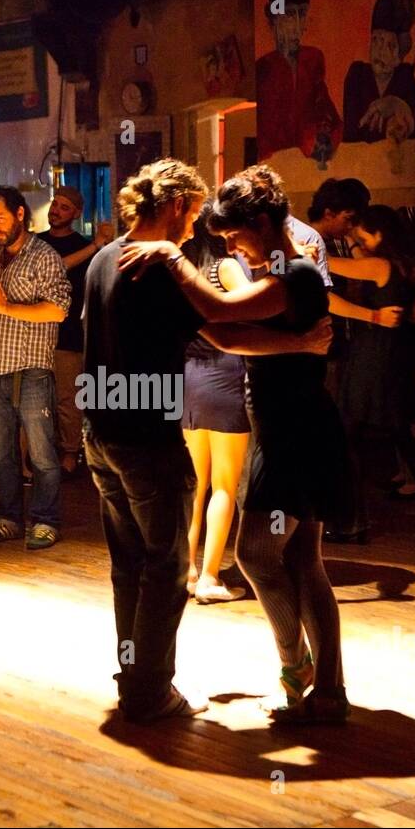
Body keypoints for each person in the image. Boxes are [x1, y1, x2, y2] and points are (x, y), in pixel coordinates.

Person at [112, 162, 341, 724]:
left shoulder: (296, 275)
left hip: (294, 430)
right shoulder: (284, 268)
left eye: (235, 236)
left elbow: (218, 311)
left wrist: (171, 258)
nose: (233, 249)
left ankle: (298, 674)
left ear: (262, 221)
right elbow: (222, 331)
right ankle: (328, 694)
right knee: (306, 563)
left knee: (255, 554)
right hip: (290, 425)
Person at [331, 205, 415, 530]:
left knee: (349, 432)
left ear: (379, 234)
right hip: (398, 353)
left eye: (363, 234)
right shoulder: (411, 267)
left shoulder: (379, 265)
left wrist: (300, 248)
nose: (360, 240)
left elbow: (331, 264)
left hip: (371, 354)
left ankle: (354, 520)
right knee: (402, 431)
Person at [0, 185, 70, 550]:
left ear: (19, 214)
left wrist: (10, 307)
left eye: (0, 218)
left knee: (42, 452)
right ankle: (8, 518)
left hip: (31, 366)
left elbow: (58, 309)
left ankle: (45, 520)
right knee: (2, 453)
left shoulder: (44, 256)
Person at [179, 202, 250, 604]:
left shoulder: (181, 273)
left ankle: (185, 570)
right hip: (224, 377)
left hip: (187, 378)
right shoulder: (224, 268)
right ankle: (208, 577)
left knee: (196, 485)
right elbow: (258, 312)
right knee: (224, 485)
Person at [37, 185, 112, 476]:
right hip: (34, 332)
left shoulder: (83, 246)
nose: (56, 211)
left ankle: (70, 452)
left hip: (67, 334)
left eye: (64, 207)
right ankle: (42, 453)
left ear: (77, 213)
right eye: (55, 205)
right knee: (39, 398)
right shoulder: (36, 244)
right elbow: (53, 269)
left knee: (67, 398)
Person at [255, 0, 340, 163]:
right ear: (273, 19)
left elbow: (328, 116)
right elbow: (266, 140)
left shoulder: (313, 60)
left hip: (306, 168)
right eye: (289, 14)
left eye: (302, 14)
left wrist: (323, 137)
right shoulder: (263, 70)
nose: (297, 26)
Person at [343, 0, 415, 143]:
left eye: (390, 45)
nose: (380, 51)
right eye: (376, 40)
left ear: (400, 56)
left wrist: (402, 108)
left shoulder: (404, 78)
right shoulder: (357, 75)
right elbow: (351, 133)